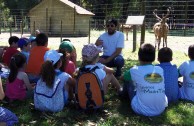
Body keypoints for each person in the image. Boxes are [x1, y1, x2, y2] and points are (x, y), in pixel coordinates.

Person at [123, 43, 168, 116]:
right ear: (154, 57)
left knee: (129, 81)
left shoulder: (134, 70)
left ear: (139, 57)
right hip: (161, 108)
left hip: (140, 109)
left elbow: (123, 77)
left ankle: (121, 94)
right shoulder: (160, 69)